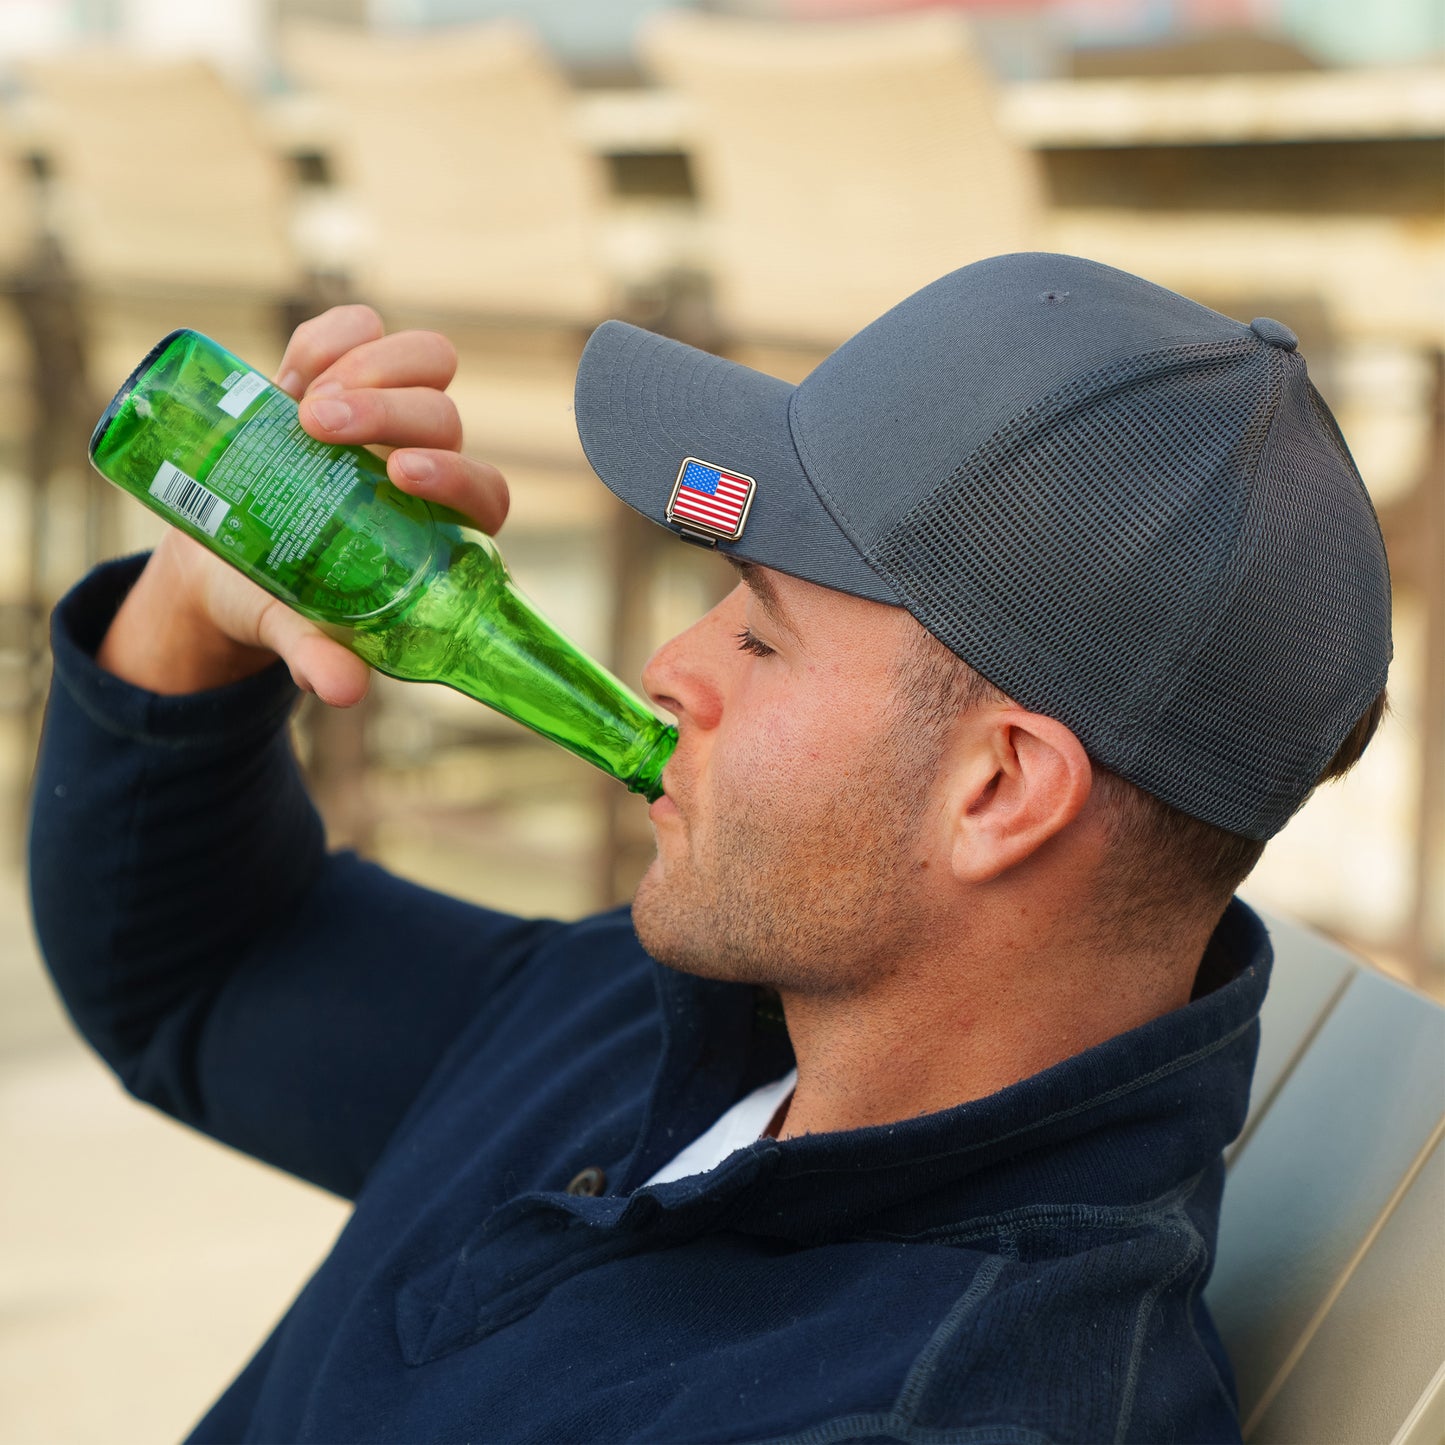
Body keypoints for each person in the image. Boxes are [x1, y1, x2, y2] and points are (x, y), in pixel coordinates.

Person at [29, 253, 1391, 1444]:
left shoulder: (942, 1403)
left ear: (998, 789)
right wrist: (200, 605)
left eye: (756, 631)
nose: (668, 668)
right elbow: (206, 978)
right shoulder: (724, 1023)